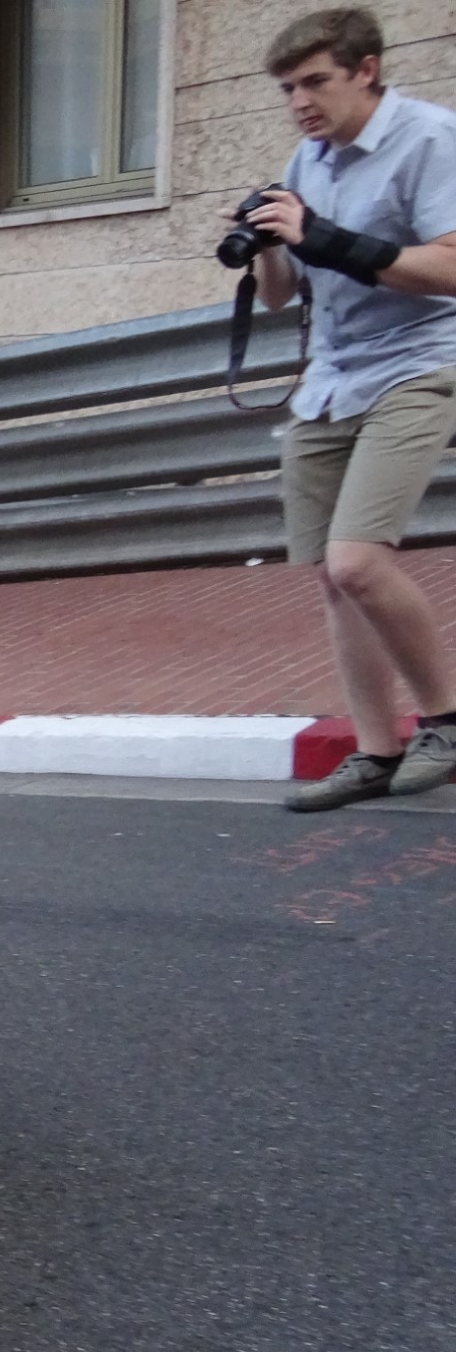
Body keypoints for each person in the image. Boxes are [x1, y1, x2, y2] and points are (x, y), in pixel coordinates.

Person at [245, 11, 456, 810]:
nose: (299, 101)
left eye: (315, 83)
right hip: (330, 380)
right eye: (288, 89)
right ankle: (375, 750)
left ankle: (447, 716)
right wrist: (265, 241)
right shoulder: (311, 156)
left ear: (366, 70)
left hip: (420, 364)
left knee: (358, 561)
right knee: (336, 583)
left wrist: (325, 237)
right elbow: (278, 296)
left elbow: (451, 266)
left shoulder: (433, 140)